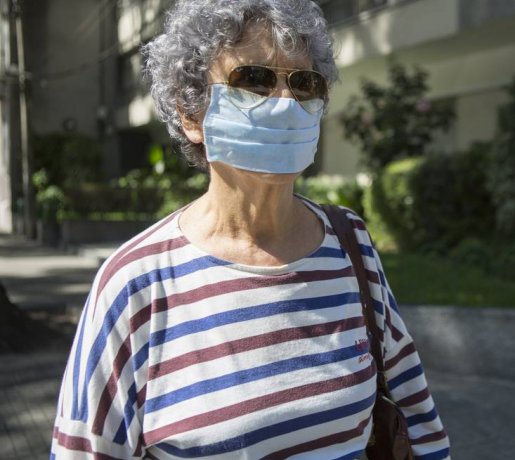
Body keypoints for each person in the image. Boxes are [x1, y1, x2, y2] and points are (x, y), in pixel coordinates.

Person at [50, 1, 450, 458]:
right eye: (253, 79)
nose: (284, 102)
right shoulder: (135, 283)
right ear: (190, 114)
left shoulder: (349, 242)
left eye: (304, 83)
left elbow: (417, 416)